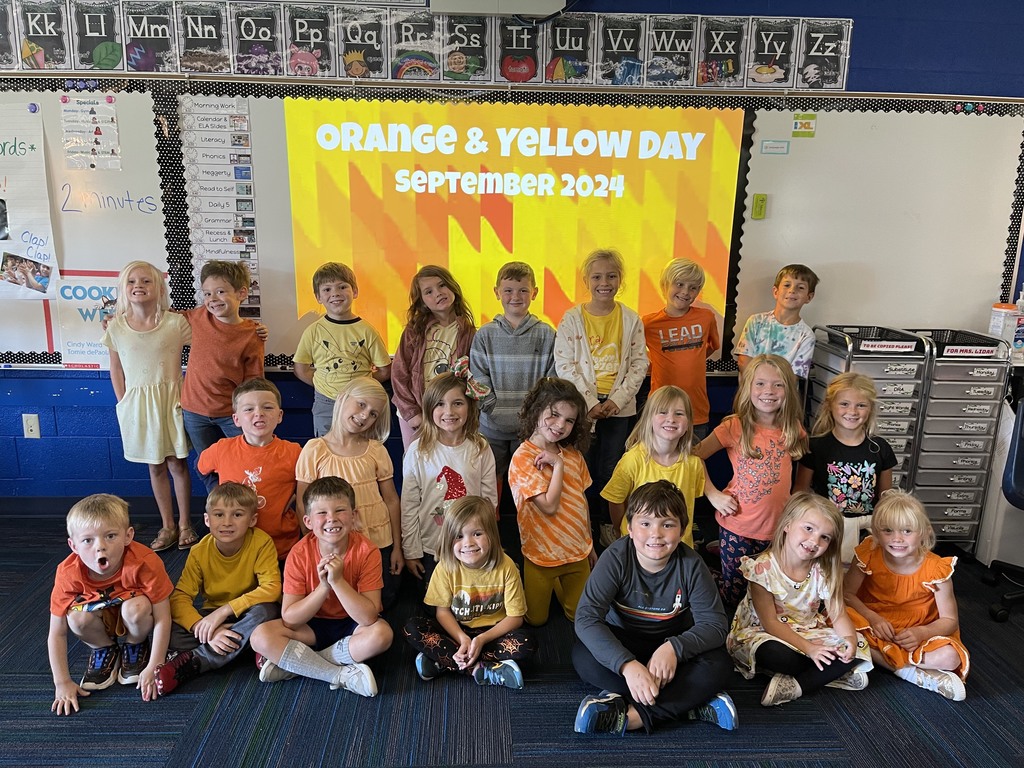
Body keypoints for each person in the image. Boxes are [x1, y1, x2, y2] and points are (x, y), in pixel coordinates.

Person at [572, 481, 736, 735]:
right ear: (629, 528)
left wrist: (674, 648)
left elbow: (715, 625)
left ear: (682, 530)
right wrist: (627, 665)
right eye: (646, 523)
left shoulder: (692, 564)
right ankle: (689, 704)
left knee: (721, 663)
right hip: (624, 641)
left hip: (671, 648)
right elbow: (586, 618)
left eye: (667, 525)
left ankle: (632, 716)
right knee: (583, 655)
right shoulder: (615, 558)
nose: (656, 534)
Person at [250, 477, 393, 696]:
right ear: (308, 521)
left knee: (382, 635)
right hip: (311, 627)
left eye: (340, 510)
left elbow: (368, 618)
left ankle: (300, 664)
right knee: (260, 636)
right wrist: (324, 587)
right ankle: (338, 674)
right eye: (322, 513)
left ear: (354, 516)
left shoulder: (368, 551)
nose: (331, 518)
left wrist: (338, 581)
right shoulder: (299, 553)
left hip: (352, 625)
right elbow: (290, 619)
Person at [727, 492, 872, 707]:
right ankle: (830, 673)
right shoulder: (762, 568)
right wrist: (809, 649)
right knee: (777, 655)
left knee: (858, 645)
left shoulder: (823, 571)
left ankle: (797, 685)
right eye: (809, 528)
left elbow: (838, 614)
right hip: (764, 632)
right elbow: (770, 622)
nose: (814, 541)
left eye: (825, 537)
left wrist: (849, 640)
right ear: (787, 525)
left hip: (808, 629)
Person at [695, 354, 805, 610]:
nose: (769, 391)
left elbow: (801, 467)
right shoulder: (734, 426)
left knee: (767, 589)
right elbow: (694, 457)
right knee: (734, 594)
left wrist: (797, 502)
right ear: (748, 387)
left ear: (789, 390)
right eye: (761, 384)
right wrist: (712, 493)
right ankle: (706, 573)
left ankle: (720, 553)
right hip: (737, 524)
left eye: (778, 385)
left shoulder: (794, 429)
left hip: (777, 527)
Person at [554, 249, 648, 548]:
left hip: (619, 409)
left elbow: (639, 363)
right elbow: (564, 364)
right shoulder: (572, 318)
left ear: (620, 279)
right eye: (596, 277)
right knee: (579, 468)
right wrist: (590, 402)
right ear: (586, 281)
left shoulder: (630, 319)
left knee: (611, 469)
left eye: (611, 276)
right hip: (582, 409)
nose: (604, 283)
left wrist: (617, 400)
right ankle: (580, 524)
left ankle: (608, 525)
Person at [48, 494, 174, 715]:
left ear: (128, 536)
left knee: (136, 609)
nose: (100, 547)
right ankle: (105, 648)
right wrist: (62, 682)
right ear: (73, 545)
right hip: (97, 618)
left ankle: (136, 644)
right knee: (76, 618)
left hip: (133, 614)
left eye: (110, 536)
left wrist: (156, 662)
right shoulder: (67, 573)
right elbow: (56, 633)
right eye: (88, 540)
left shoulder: (145, 561)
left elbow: (163, 616)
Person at [153, 483, 282, 695]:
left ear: (252, 520)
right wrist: (208, 628)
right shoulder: (199, 551)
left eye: (237, 515)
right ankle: (249, 647)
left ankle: (198, 659)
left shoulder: (261, 542)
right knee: (169, 629)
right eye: (219, 515)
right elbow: (179, 598)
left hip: (246, 612)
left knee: (267, 611)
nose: (227, 522)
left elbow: (272, 588)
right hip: (214, 617)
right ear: (207, 520)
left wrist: (225, 611)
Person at [101, 261, 194, 552]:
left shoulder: (176, 323)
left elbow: (207, 344)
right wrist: (123, 401)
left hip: (172, 401)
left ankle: (185, 524)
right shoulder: (116, 327)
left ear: (159, 288)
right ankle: (167, 525)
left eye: (146, 281)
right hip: (138, 405)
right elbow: (116, 368)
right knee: (155, 466)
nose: (138, 286)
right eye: (131, 282)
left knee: (177, 463)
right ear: (123, 289)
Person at [843, 491, 968, 701]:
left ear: (924, 533)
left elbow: (949, 620)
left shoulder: (936, 569)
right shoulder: (868, 553)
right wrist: (873, 618)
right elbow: (846, 595)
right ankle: (906, 670)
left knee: (950, 658)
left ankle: (882, 660)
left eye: (907, 531)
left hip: (917, 630)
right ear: (876, 532)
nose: (897, 539)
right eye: (888, 530)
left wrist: (921, 633)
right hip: (872, 623)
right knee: (837, 627)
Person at [403, 496, 536, 689]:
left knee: (527, 643)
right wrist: (462, 638)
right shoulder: (445, 567)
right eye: (459, 536)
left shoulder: (507, 567)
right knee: (412, 628)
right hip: (456, 631)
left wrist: (481, 640)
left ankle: (444, 661)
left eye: (477, 533)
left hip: (492, 634)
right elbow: (442, 612)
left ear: (491, 534)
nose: (468, 543)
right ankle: (479, 669)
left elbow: (516, 618)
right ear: (449, 539)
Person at [469, 261, 556, 549]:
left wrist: (535, 419)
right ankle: (489, 538)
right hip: (491, 426)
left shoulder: (546, 334)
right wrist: (493, 409)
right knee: (489, 482)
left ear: (535, 293)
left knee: (531, 482)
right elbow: (477, 378)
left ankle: (531, 538)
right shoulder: (485, 335)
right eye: (508, 290)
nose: (515, 296)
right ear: (497, 292)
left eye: (522, 290)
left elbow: (551, 380)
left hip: (531, 431)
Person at [297, 377, 404, 609]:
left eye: (373, 413)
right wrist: (313, 543)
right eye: (361, 404)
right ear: (343, 398)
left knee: (381, 601)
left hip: (379, 541)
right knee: (339, 601)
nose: (365, 416)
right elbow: (303, 503)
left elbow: (391, 500)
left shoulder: (376, 450)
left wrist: (397, 547)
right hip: (335, 543)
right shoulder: (314, 450)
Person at [508, 377, 595, 625]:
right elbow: (548, 506)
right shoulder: (523, 458)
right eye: (554, 415)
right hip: (541, 556)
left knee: (578, 617)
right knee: (535, 620)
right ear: (536, 410)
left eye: (569, 420)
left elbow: (582, 502)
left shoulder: (574, 455)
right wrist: (558, 464)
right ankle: (553, 582)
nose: (560, 425)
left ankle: (561, 583)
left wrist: (590, 544)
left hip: (576, 553)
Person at [601, 385, 731, 548]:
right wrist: (621, 530)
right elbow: (615, 500)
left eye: (679, 413)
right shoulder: (632, 460)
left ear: (688, 422)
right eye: (663, 412)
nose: (671, 419)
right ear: (649, 419)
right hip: (640, 545)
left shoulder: (693, 463)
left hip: (678, 547)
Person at [401, 373, 498, 587]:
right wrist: (411, 551)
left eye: (457, 403)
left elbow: (489, 501)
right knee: (434, 601)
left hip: (470, 546)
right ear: (429, 408)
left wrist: (488, 543)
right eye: (440, 404)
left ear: (469, 407)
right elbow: (409, 505)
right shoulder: (418, 450)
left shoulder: (480, 447)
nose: (449, 412)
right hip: (431, 547)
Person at [180, 260, 265, 493]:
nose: (213, 299)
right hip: (194, 412)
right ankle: (217, 504)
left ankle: (242, 504)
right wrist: (119, 318)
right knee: (206, 465)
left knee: (247, 461)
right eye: (207, 293)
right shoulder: (197, 317)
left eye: (220, 292)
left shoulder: (252, 334)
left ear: (241, 293)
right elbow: (156, 319)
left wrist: (247, 412)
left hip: (231, 414)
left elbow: (254, 382)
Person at [795, 372, 897, 562]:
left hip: (867, 533)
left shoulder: (880, 448)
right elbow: (800, 492)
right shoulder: (815, 446)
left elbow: (886, 498)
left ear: (870, 408)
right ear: (829, 405)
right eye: (844, 404)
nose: (852, 411)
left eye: (861, 405)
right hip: (827, 531)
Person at [198, 378, 302, 562]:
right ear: (236, 419)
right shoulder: (222, 449)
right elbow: (200, 468)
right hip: (235, 548)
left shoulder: (294, 452)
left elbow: (307, 489)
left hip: (280, 547)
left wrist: (291, 498)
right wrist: (217, 491)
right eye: (249, 409)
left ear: (279, 415)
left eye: (267, 407)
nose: (259, 413)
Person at [293, 262, 391, 437]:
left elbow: (384, 370)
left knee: (361, 445)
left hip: (361, 402)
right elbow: (301, 369)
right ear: (318, 297)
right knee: (327, 446)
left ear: (355, 291)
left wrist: (362, 385)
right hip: (326, 402)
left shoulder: (367, 331)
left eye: (342, 287)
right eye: (327, 289)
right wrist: (325, 385)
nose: (335, 293)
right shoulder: (313, 331)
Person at [392, 265, 476, 449]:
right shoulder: (414, 331)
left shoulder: (469, 332)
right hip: (418, 412)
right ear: (422, 301)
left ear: (453, 288)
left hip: (450, 414)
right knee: (417, 461)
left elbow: (472, 377)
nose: (438, 293)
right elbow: (399, 374)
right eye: (429, 292)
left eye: (442, 285)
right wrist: (412, 413)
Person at [642, 259, 721, 441]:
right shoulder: (647, 324)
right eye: (679, 284)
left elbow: (713, 346)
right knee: (658, 457)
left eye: (693, 288)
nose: (685, 292)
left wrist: (692, 359)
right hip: (660, 410)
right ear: (665, 286)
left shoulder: (706, 318)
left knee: (693, 456)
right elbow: (635, 355)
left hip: (696, 410)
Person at [734, 264, 818, 379]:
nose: (792, 290)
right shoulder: (756, 321)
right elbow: (744, 361)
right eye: (787, 285)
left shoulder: (806, 335)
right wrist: (758, 385)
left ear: (809, 297)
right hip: (750, 387)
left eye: (800, 287)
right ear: (775, 292)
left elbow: (794, 376)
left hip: (782, 390)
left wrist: (773, 387)